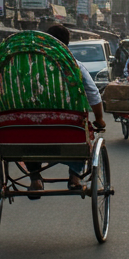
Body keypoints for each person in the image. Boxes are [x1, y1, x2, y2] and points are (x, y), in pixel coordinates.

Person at [28, 25, 105, 194]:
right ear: (67, 43)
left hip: (30, 126)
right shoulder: (74, 65)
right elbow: (93, 93)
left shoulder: (30, 65)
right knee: (81, 131)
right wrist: (99, 118)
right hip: (67, 125)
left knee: (27, 131)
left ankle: (35, 178)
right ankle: (75, 177)